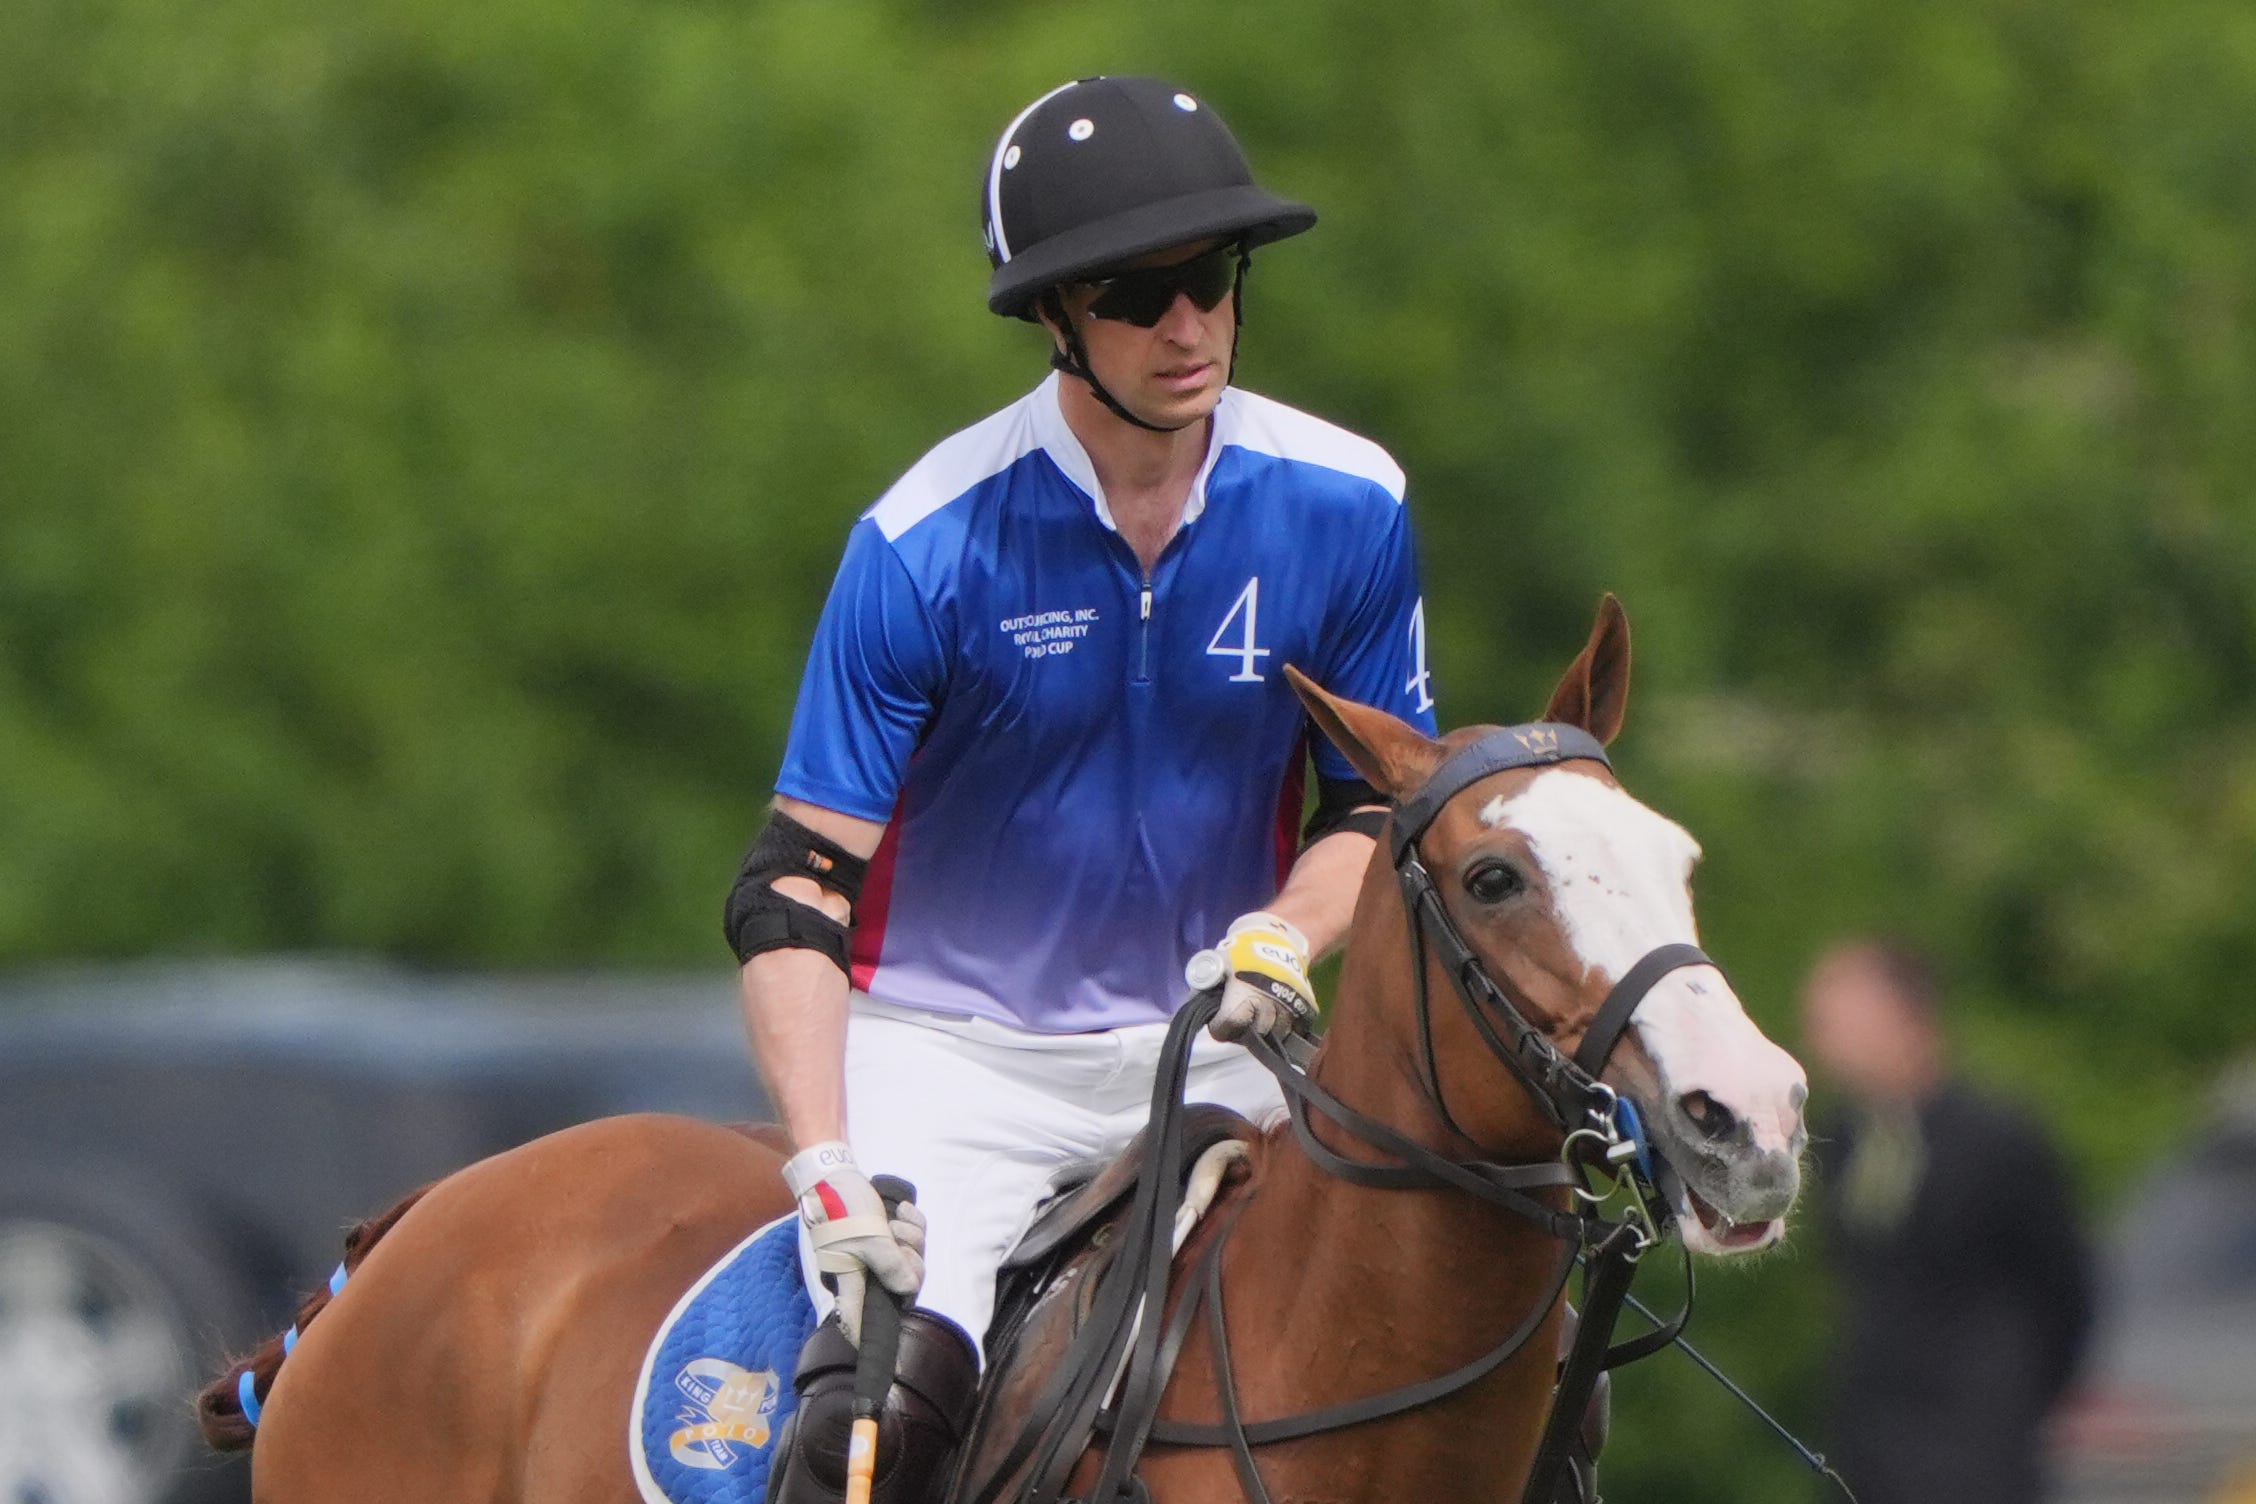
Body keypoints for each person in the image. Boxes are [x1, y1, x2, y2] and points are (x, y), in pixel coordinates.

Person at [724, 75, 1437, 1503]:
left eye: (1213, 280)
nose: (1189, 326)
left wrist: (1285, 938)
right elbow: (794, 893)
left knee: (1452, 1333)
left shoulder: (1351, 502)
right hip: (956, 1058)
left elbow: (1374, 810)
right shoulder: (928, 541)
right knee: (874, 1419)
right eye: (1137, 293)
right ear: (1055, 318)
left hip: (1230, 1036)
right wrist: (823, 1162)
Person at [1801, 940, 2096, 1504]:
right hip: (1870, 1443)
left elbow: (2066, 1287)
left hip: (1978, 1446)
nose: (1818, 1038)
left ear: (1902, 1015)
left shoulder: (1998, 1140)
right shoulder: (1839, 1141)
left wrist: (2011, 1394)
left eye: (1834, 1018)